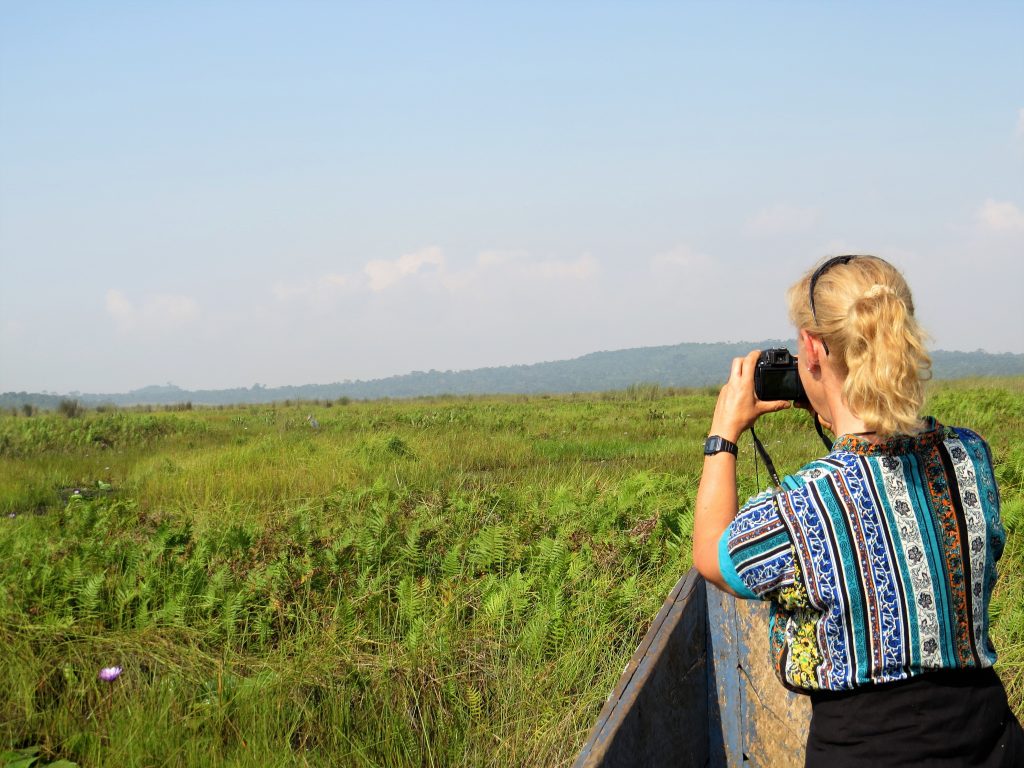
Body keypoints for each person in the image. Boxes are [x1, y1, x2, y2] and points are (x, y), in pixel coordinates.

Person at [692, 255, 1023, 766]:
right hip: (992, 742)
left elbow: (714, 557)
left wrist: (723, 435)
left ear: (812, 348)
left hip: (866, 749)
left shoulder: (802, 506)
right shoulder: (969, 456)